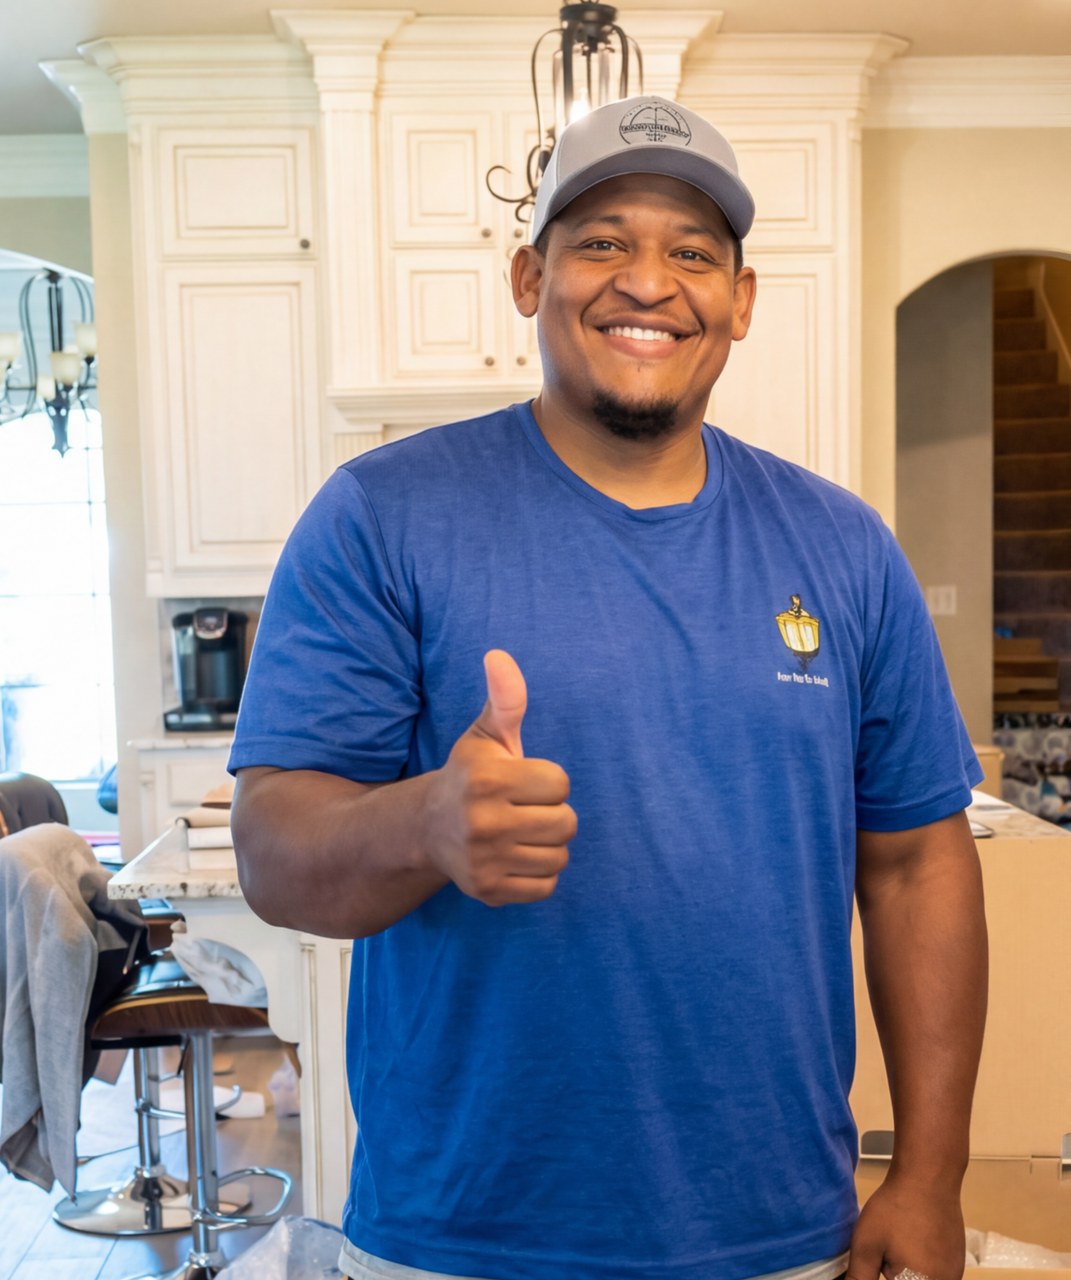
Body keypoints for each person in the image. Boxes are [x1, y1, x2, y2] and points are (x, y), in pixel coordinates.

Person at [230, 94, 990, 1280]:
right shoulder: (383, 517)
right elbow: (271, 852)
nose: (649, 280)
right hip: (461, 1235)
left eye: (693, 250)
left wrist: (931, 1177)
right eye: (602, 242)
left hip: (780, 1232)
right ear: (530, 276)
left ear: (741, 300)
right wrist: (426, 820)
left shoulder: (844, 548)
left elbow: (919, 863)